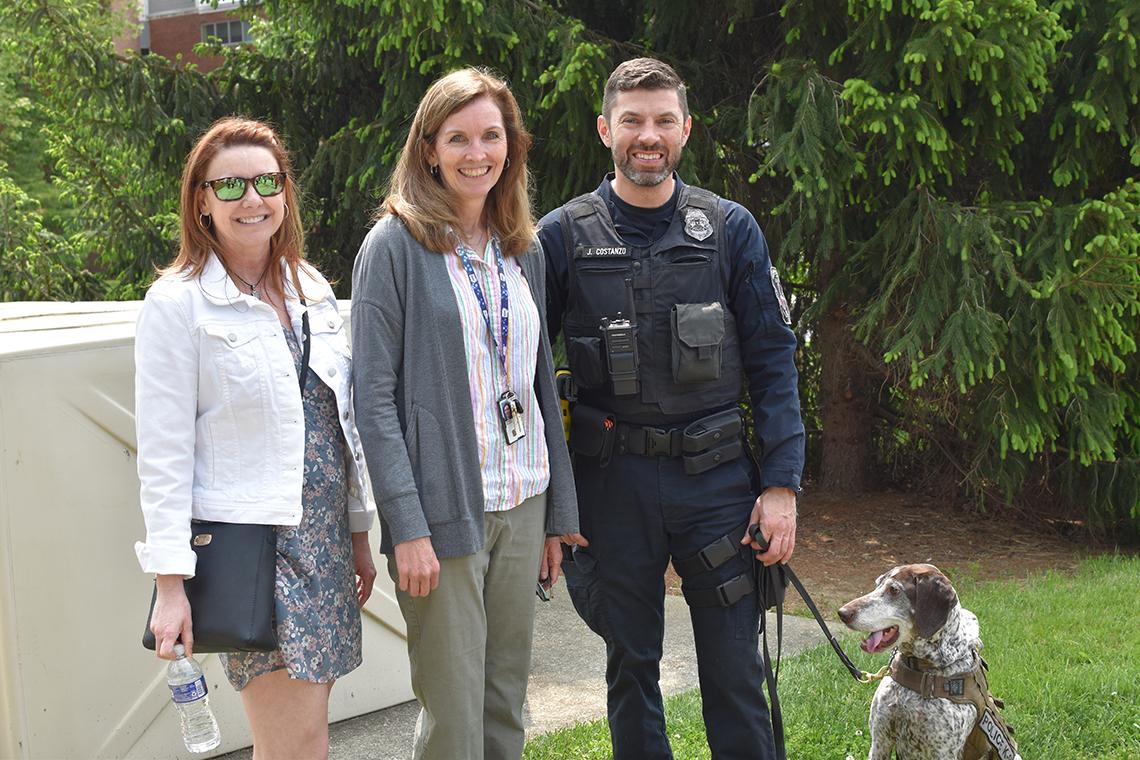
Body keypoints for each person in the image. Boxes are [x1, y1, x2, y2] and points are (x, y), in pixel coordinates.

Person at [539, 58, 806, 760]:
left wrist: (780, 487)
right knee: (631, 671)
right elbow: (527, 375)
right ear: (606, 129)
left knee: (734, 671)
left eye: (662, 121)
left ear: (685, 129)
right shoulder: (561, 236)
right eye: (632, 121)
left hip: (717, 485)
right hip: (611, 486)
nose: (647, 135)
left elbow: (775, 362)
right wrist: (553, 509)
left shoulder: (730, 229)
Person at [350, 68, 583, 760]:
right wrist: (407, 526)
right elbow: (373, 402)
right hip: (442, 516)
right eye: (458, 137)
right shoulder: (392, 248)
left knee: (505, 705)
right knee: (453, 721)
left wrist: (557, 516)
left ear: (511, 146)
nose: (476, 152)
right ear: (429, 149)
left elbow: (541, 386)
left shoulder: (523, 250)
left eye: (491, 135)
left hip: (522, 501)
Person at [134, 117, 377, 760]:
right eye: (231, 184)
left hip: (323, 543)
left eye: (266, 181)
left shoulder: (311, 288)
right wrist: (169, 585)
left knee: (308, 736)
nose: (251, 198)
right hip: (254, 550)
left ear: (285, 193)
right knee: (293, 743)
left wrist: (358, 537)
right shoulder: (177, 304)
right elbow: (163, 454)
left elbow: (337, 426)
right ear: (201, 201)